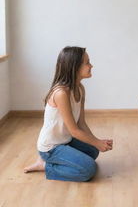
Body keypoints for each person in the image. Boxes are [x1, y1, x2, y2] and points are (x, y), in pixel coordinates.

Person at [24, 46, 113, 181]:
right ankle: (45, 164)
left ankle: (61, 158)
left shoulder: (80, 89)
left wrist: (97, 141)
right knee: (88, 169)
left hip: (66, 140)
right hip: (51, 147)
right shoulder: (61, 93)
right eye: (87, 62)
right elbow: (74, 130)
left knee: (93, 151)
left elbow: (81, 123)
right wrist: (96, 142)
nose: (91, 65)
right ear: (75, 67)